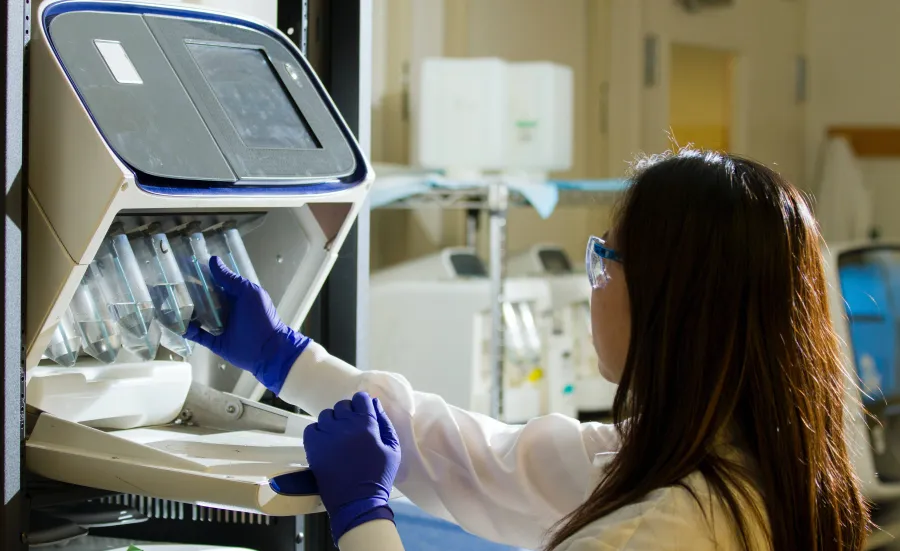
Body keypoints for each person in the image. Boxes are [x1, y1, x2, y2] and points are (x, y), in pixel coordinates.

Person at [186, 149, 870, 551]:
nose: (593, 279)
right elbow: (481, 459)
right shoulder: (741, 465)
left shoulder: (660, 532)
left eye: (606, 258)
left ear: (672, 301)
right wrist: (288, 358)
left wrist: (365, 517)